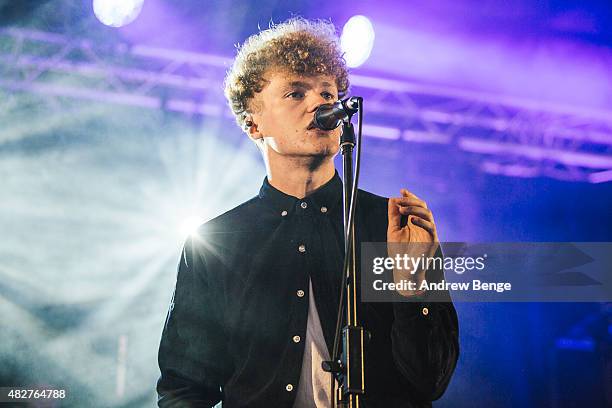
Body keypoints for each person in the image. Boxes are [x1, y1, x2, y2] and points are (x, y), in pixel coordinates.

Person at [156, 17, 459, 408]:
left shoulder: (388, 225)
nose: (319, 103)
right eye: (295, 93)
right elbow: (183, 387)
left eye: (328, 94)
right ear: (252, 123)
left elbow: (432, 380)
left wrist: (412, 284)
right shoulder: (217, 242)